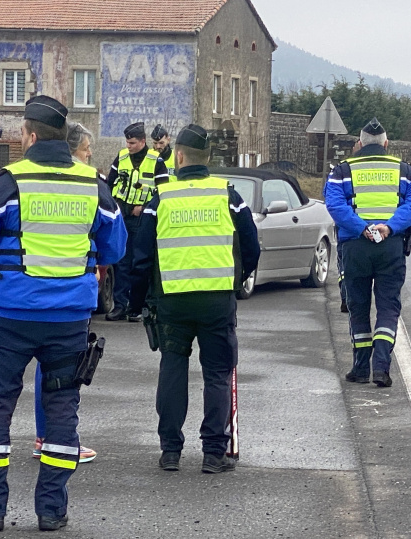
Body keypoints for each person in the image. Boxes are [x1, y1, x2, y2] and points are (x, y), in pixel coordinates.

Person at [0, 95, 127, 532]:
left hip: (11, 317)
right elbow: (115, 248)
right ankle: (52, 511)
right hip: (69, 320)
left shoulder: (8, 182)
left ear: (28, 134)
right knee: (62, 409)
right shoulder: (93, 184)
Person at [130, 124, 260, 474]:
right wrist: (238, 281)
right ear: (208, 159)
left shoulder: (161, 200)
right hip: (218, 301)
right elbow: (251, 246)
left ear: (181, 156)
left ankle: (171, 451)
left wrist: (137, 301)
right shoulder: (229, 196)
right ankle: (214, 454)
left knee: (173, 369)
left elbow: (141, 259)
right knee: (217, 374)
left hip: (173, 302)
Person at [325, 118, 411, 387]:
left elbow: (334, 205)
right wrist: (389, 227)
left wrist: (362, 228)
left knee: (358, 307)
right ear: (386, 144)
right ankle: (381, 368)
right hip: (391, 245)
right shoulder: (405, 170)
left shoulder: (342, 171)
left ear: (358, 144)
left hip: (355, 246)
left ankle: (360, 369)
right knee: (388, 307)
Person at [32, 121, 99, 464]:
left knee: (30, 376)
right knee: (60, 376)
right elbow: (114, 243)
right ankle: (54, 441)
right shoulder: (83, 185)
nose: (91, 157)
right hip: (66, 297)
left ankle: (45, 437)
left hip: (28, 294)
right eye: (87, 151)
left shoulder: (28, 179)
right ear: (72, 150)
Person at [105, 122, 169, 322]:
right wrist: (120, 206)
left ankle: (137, 307)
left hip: (144, 219)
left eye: (132, 142)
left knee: (140, 263)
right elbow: (109, 184)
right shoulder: (122, 157)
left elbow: (163, 191)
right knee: (122, 262)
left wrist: (145, 208)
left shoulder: (156, 161)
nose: (129, 145)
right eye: (127, 142)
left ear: (142, 141)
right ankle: (120, 305)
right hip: (124, 217)